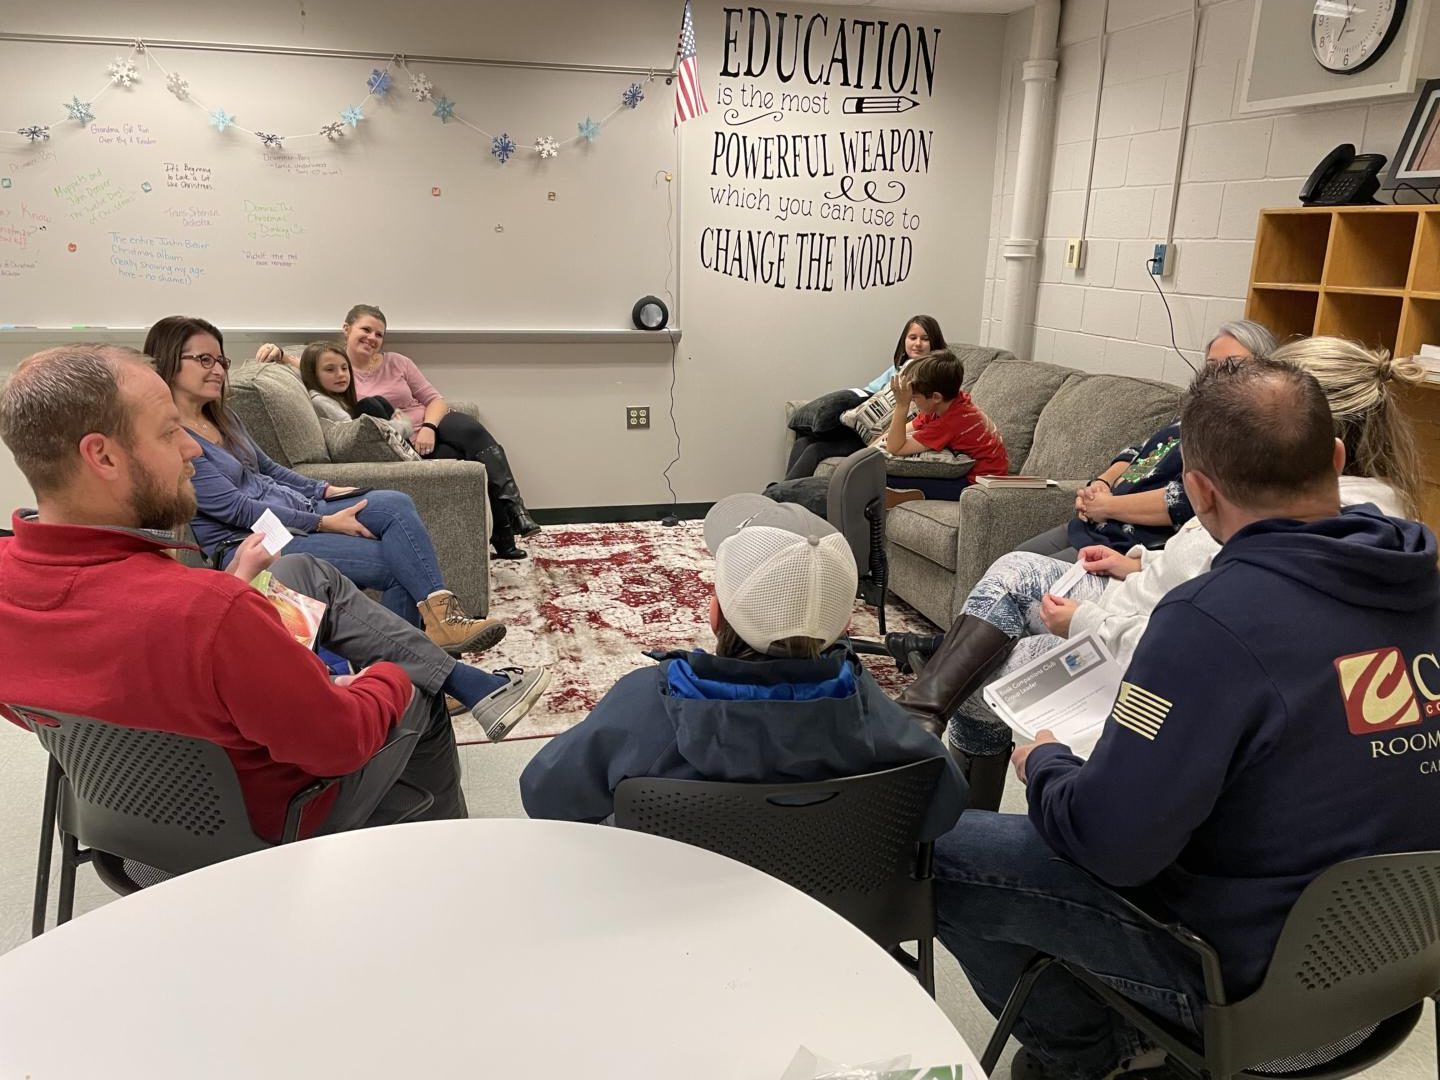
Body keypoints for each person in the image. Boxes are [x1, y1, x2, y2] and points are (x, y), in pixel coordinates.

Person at [930, 356, 1440, 1080]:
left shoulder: (1209, 622)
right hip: (1389, 982)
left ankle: (1092, 1059)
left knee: (942, 848)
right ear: (1334, 459)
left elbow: (1108, 847)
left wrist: (1044, 763)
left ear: (1198, 493)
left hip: (1254, 999)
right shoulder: (1423, 590)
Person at [0, 346, 551, 842]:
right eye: (170, 432)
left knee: (307, 572)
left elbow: (51, 706)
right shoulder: (210, 612)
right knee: (412, 683)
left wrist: (236, 598)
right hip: (266, 828)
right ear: (103, 457)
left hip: (126, 823)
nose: (191, 451)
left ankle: (451, 674)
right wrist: (379, 675)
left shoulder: (14, 588)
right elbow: (340, 742)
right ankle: (440, 858)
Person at [891, 335, 1422, 812]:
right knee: (1005, 604)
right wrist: (1136, 561)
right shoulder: (1398, 557)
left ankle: (943, 790)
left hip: (1133, 671)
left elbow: (1109, 836)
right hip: (1141, 626)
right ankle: (932, 747)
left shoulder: (1237, 589)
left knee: (993, 673)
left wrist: (1048, 764)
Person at [519, 494, 967, 835]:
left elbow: (544, 795)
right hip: (827, 921)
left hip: (673, 921)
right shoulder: (866, 709)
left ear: (715, 613)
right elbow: (943, 803)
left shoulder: (649, 702)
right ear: (841, 625)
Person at [146, 315, 501, 655]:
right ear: (169, 361)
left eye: (220, 360)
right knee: (397, 566)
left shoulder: (223, 416)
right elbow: (237, 509)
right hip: (249, 540)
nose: (218, 369)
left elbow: (270, 467)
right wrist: (322, 522)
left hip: (295, 509)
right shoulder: (174, 437)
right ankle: (417, 680)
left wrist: (323, 491)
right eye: (204, 359)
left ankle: (441, 619)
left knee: (394, 502)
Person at [259, 304, 540, 560]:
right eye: (365, 330)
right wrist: (279, 354)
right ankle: (504, 537)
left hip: (429, 424)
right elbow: (309, 367)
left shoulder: (398, 362)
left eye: (379, 334)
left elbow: (435, 399)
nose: (372, 338)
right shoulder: (337, 368)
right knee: (469, 461)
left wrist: (429, 427)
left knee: (471, 431)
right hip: (403, 439)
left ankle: (517, 512)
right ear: (347, 330)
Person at [1015, 320, 1278, 563]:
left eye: (1233, 363)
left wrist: (1107, 507)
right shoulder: (1193, 413)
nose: (1218, 373)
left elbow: (1184, 502)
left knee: (1017, 582)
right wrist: (1100, 485)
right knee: (1014, 560)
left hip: (1129, 545)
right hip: (1097, 524)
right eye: (1211, 364)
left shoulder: (1245, 435)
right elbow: (1137, 453)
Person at [785, 314, 948, 480]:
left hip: (880, 437)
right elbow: (867, 393)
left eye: (925, 339)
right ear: (904, 341)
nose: (918, 344)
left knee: (815, 450)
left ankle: (781, 496)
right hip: (861, 427)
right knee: (803, 441)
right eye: (912, 337)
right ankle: (781, 498)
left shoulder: (934, 378)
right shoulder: (896, 370)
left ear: (934, 343)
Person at [882, 348, 1008, 504]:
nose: (912, 401)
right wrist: (868, 451)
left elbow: (895, 448)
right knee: (877, 471)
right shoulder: (949, 404)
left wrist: (901, 405)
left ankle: (905, 496)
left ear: (935, 397)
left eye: (914, 398)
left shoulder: (950, 422)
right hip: (976, 474)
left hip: (978, 486)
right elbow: (899, 433)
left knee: (886, 478)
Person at [299, 341, 419, 459]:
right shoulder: (321, 401)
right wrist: (401, 425)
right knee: (368, 405)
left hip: (364, 444)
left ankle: (415, 458)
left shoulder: (336, 397)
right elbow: (352, 434)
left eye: (344, 368)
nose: (341, 374)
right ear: (312, 374)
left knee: (378, 400)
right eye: (330, 370)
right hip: (353, 452)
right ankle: (414, 460)